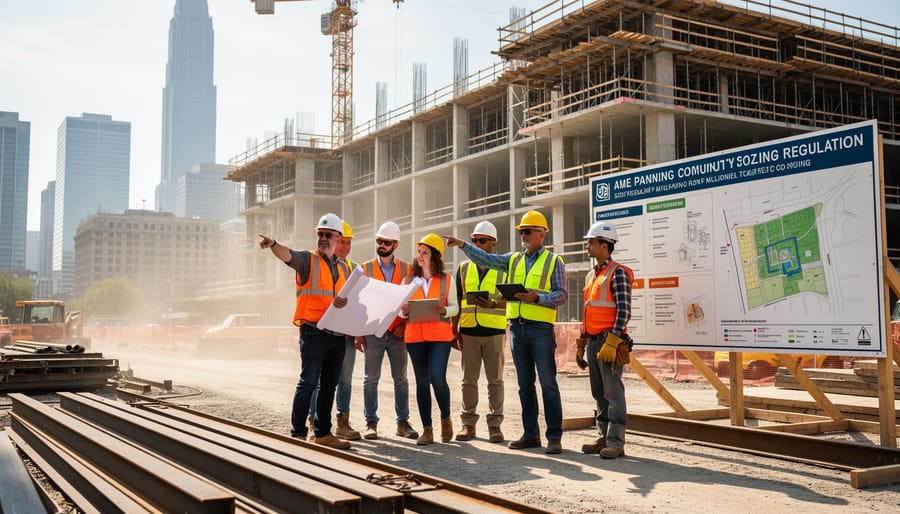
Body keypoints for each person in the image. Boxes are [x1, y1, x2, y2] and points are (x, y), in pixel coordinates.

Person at [444, 210, 568, 454]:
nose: (523, 234)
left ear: (541, 234)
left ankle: (554, 436)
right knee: (525, 385)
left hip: (540, 330)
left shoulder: (554, 261)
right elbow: (486, 259)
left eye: (528, 231)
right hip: (516, 329)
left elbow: (562, 294)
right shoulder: (513, 260)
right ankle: (530, 434)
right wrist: (463, 245)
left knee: (548, 384)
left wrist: (537, 298)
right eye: (521, 231)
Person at [258, 213, 351, 450]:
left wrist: (344, 304)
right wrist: (273, 245)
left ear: (338, 239)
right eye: (320, 234)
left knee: (329, 385)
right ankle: (298, 433)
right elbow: (287, 255)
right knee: (308, 382)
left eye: (328, 235)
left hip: (337, 334)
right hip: (313, 331)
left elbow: (345, 300)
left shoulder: (343, 269)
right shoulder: (308, 260)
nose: (323, 238)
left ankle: (322, 433)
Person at [355, 221, 419, 441]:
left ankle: (403, 422)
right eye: (379, 241)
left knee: (400, 379)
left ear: (396, 244)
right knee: (371, 379)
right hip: (373, 331)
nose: (381, 245)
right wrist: (358, 332)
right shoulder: (365, 268)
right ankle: (370, 423)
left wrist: (403, 326)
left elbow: (412, 301)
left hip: (397, 333)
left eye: (386, 242)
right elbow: (359, 303)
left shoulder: (407, 269)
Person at [579, 221, 633, 459]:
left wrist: (613, 340)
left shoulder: (617, 273)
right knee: (598, 392)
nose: (587, 247)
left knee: (613, 392)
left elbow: (624, 310)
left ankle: (616, 442)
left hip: (610, 341)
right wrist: (581, 342)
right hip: (593, 340)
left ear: (604, 244)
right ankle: (602, 437)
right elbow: (588, 309)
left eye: (591, 242)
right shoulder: (592, 274)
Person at [399, 233, 459, 445]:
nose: (420, 256)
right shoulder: (407, 281)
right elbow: (400, 313)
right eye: (419, 252)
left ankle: (445, 417)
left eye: (425, 252)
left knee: (437, 378)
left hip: (440, 337)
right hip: (415, 337)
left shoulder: (447, 279)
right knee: (422, 383)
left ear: (435, 256)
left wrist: (444, 310)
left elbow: (455, 307)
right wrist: (404, 311)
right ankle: (428, 429)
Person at [451, 220, 507, 443]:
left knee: (495, 381)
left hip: (494, 331)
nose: (476, 244)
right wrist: (453, 329)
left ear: (493, 243)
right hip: (469, 332)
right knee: (468, 381)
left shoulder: (504, 268)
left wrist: (492, 305)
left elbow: (513, 300)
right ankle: (468, 425)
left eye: (481, 241)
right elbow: (456, 300)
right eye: (473, 241)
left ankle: (495, 426)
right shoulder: (463, 269)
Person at [308, 220, 361, 441]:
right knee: (319, 380)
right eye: (342, 242)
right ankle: (314, 422)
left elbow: (357, 302)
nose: (345, 247)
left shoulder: (351, 267)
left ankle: (342, 422)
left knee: (345, 380)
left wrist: (357, 330)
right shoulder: (318, 262)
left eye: (348, 243)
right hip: (322, 331)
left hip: (345, 333)